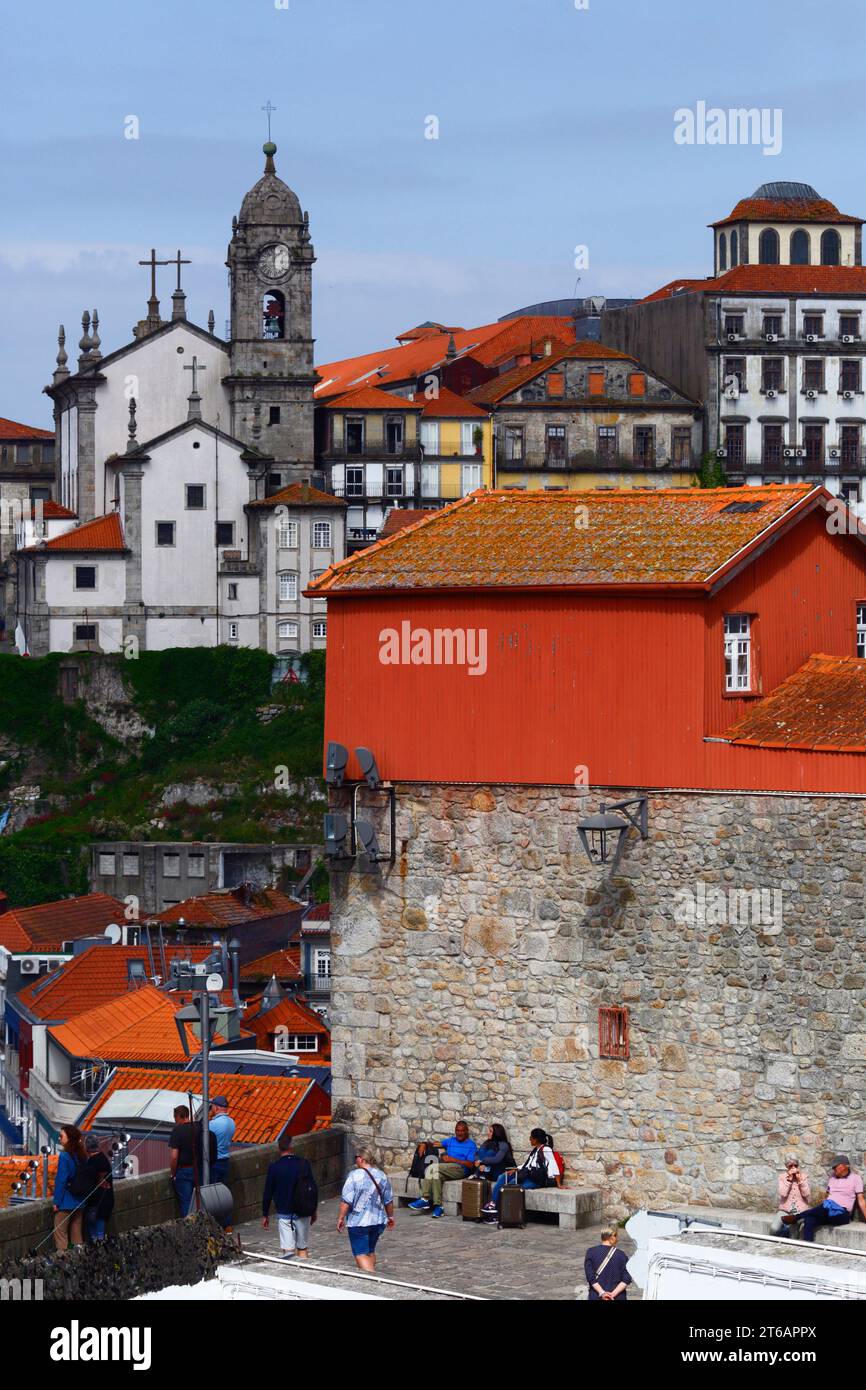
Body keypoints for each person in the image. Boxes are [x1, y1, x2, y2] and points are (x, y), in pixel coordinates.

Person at [337, 1147, 395, 1272]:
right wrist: (391, 1217)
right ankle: (371, 1273)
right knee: (370, 1250)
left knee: (360, 1253)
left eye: (356, 1157)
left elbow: (346, 1200)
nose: (355, 1160)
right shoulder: (381, 1175)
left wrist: (341, 1217)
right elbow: (388, 1200)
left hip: (358, 1222)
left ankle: (371, 1278)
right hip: (377, 1221)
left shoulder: (353, 1176)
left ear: (361, 1159)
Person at [262, 1133, 318, 1259]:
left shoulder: (275, 1167)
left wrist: (265, 1214)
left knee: (288, 1251)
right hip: (303, 1210)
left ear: (279, 1149)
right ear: (292, 1147)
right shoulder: (304, 1163)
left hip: (284, 1211)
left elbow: (268, 1192)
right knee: (302, 1247)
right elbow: (312, 1189)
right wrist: (313, 1210)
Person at [482, 1127, 560, 1216]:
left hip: (536, 1179)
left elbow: (553, 1165)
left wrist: (559, 1184)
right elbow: (527, 1164)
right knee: (502, 1177)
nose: (529, 1139)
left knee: (511, 1185)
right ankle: (493, 1204)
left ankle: (499, 1212)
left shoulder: (546, 1149)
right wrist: (515, 1169)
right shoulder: (536, 1149)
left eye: (531, 1138)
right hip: (527, 1174)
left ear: (536, 1139)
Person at [408, 1120, 478, 1217]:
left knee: (431, 1168)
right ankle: (439, 1206)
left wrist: (452, 1159)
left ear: (466, 1131)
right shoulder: (451, 1141)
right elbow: (435, 1144)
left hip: (460, 1169)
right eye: (457, 1130)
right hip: (446, 1168)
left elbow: (471, 1165)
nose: (459, 1133)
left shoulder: (471, 1145)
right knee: (436, 1176)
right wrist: (424, 1144)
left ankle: (425, 1198)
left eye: (462, 1131)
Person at [798, 1155, 866, 1242]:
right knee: (809, 1220)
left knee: (826, 1209)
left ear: (844, 1166)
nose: (833, 1169)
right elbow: (828, 1195)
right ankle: (808, 1246)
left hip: (842, 1214)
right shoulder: (832, 1178)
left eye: (835, 1167)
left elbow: (861, 1201)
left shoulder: (856, 1178)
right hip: (827, 1211)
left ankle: (797, 1217)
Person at [169, 1103, 217, 1216]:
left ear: (178, 1117)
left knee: (186, 1202)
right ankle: (202, 1225)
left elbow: (174, 1157)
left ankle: (189, 1228)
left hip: (183, 1171)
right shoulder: (198, 1127)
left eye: (175, 1119)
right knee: (200, 1200)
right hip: (198, 1168)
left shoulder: (177, 1131)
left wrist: (173, 1173)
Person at [53, 1124, 87, 1251]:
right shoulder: (82, 1155)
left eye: (61, 1136)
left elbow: (61, 1180)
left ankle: (64, 1262)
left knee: (60, 1233)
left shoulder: (65, 1156)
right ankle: (79, 1259)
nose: (60, 1139)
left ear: (69, 1138)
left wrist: (56, 1202)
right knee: (76, 1232)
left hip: (67, 1201)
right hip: (80, 1199)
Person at [584, 1228, 632, 1301]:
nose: (617, 1240)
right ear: (612, 1237)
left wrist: (602, 1293)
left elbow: (590, 1277)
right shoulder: (622, 1255)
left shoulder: (591, 1252)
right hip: (617, 1297)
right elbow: (627, 1278)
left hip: (596, 1296)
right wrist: (612, 1294)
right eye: (616, 1237)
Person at [83, 1133, 114, 1242]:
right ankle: (101, 1245)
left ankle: (96, 1246)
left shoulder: (91, 1162)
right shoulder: (104, 1159)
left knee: (92, 1226)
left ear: (86, 1147)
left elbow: (87, 1183)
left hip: (95, 1201)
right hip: (107, 1198)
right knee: (101, 1228)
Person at [769, 1156, 811, 1237]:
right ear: (786, 1167)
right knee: (774, 1229)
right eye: (790, 1166)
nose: (793, 1168)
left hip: (800, 1211)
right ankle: (779, 1238)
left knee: (793, 1233)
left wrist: (800, 1181)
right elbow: (783, 1194)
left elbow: (806, 1194)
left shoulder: (804, 1177)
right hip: (785, 1210)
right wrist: (789, 1180)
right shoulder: (782, 1177)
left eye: (795, 1165)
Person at [208, 1096, 236, 1186]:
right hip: (225, 1161)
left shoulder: (213, 1124)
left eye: (212, 1106)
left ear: (216, 1108)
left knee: (212, 1192)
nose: (211, 1109)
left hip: (214, 1162)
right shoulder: (232, 1122)